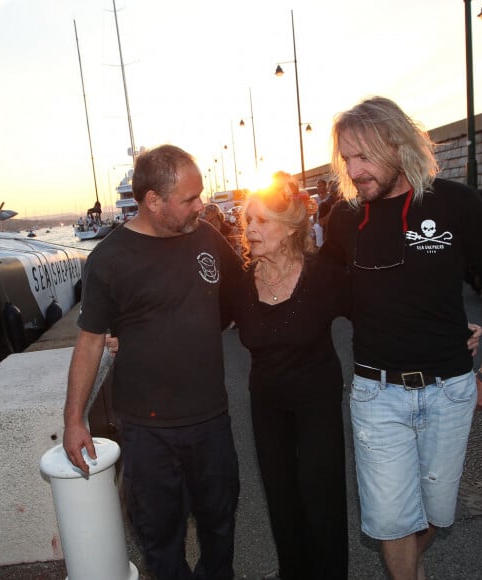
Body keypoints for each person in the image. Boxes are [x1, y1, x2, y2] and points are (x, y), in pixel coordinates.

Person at [322, 96, 482, 580]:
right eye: (347, 158)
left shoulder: (455, 203)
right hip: (376, 393)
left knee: (433, 514)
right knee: (390, 521)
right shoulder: (343, 219)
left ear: (398, 143)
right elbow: (326, 291)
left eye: (364, 156)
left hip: (449, 389)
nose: (354, 170)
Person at [63, 144, 242, 580]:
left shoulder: (206, 238)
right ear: (153, 201)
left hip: (211, 421)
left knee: (221, 529)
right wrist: (74, 420)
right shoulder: (108, 259)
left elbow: (240, 300)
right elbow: (88, 344)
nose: (202, 206)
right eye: (189, 199)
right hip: (147, 432)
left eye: (200, 195)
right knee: (160, 541)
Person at [233, 174, 351, 579]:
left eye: (262, 221)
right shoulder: (241, 284)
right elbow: (193, 322)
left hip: (317, 402)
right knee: (282, 500)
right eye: (248, 220)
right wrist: (130, 337)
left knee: (322, 497)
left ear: (289, 229)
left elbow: (380, 311)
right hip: (267, 406)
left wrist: (453, 331)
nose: (250, 229)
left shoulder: (322, 275)